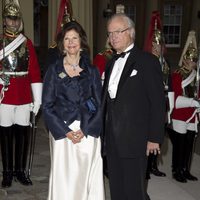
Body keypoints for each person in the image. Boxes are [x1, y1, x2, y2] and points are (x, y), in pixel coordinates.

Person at [102, 13, 166, 200]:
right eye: (110, 33)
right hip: (112, 138)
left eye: (118, 31)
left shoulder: (147, 61)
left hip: (135, 139)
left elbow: (157, 102)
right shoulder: (110, 63)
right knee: (116, 187)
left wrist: (154, 137)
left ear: (130, 32)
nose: (113, 37)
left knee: (134, 190)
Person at [42, 20, 105, 200]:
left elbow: (99, 104)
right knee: (65, 179)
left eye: (74, 38)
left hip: (87, 132)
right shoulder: (54, 71)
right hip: (62, 132)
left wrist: (85, 129)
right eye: (67, 38)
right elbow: (47, 105)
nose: (71, 42)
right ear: (62, 44)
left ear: (81, 42)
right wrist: (66, 132)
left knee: (85, 177)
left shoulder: (92, 71)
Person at [0, 0, 42, 187]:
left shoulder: (27, 43)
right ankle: (7, 172)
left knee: (22, 136)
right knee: (6, 136)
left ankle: (20, 170)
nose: (14, 22)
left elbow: (34, 72)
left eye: (16, 19)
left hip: (24, 96)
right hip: (5, 96)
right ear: (4, 20)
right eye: (10, 18)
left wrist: (38, 98)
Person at [144, 11, 172, 180]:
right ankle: (146, 167)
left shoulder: (165, 63)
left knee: (159, 136)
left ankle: (154, 165)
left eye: (159, 45)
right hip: (149, 103)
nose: (156, 48)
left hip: (163, 101)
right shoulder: (146, 61)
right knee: (149, 136)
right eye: (154, 45)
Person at [169, 30, 199, 183]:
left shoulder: (197, 75)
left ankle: (185, 169)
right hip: (180, 114)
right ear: (186, 59)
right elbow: (175, 98)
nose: (192, 62)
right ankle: (176, 170)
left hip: (193, 114)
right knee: (179, 144)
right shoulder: (177, 74)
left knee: (189, 145)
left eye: (195, 60)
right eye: (190, 59)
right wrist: (192, 102)